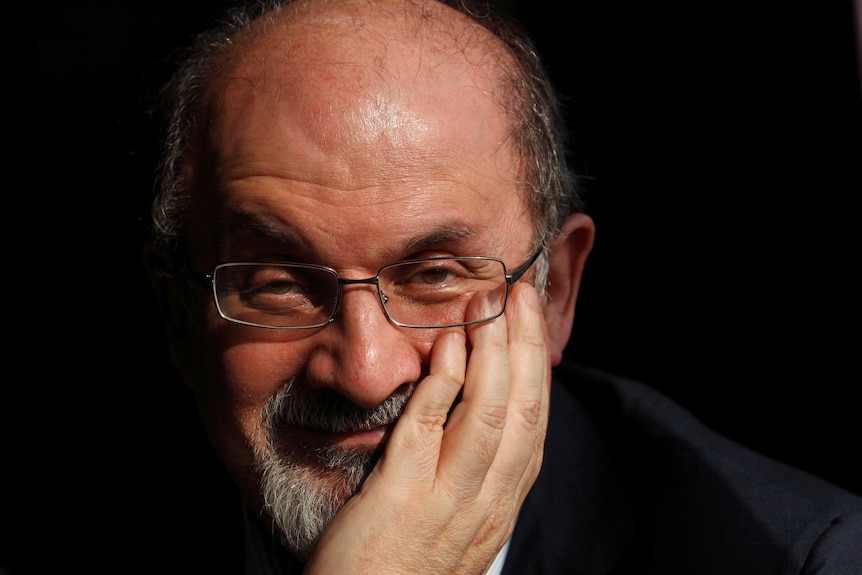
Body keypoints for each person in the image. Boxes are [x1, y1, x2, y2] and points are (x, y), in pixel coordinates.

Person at [143, 0, 862, 573]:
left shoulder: (787, 555)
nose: (364, 371)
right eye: (278, 284)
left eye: (434, 275)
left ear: (554, 295)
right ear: (179, 315)